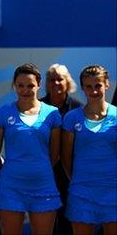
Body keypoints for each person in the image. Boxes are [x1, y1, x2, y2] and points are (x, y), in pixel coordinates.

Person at [0, 63, 62, 234]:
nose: (25, 90)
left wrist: (38, 167)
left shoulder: (52, 113)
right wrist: (9, 170)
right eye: (20, 85)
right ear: (14, 86)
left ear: (39, 85)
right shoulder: (3, 112)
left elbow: (55, 154)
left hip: (43, 184)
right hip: (10, 186)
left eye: (30, 85)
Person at [61, 65, 116, 235]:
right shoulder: (72, 118)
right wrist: (79, 179)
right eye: (88, 87)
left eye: (98, 85)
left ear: (107, 85)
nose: (93, 91)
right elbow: (65, 157)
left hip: (113, 191)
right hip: (81, 191)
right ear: (82, 88)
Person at [40, 63, 82, 235]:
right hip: (44, 171)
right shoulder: (39, 107)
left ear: (68, 82)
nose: (56, 83)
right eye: (52, 80)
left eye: (60, 79)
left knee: (67, 218)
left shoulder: (78, 108)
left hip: (69, 171)